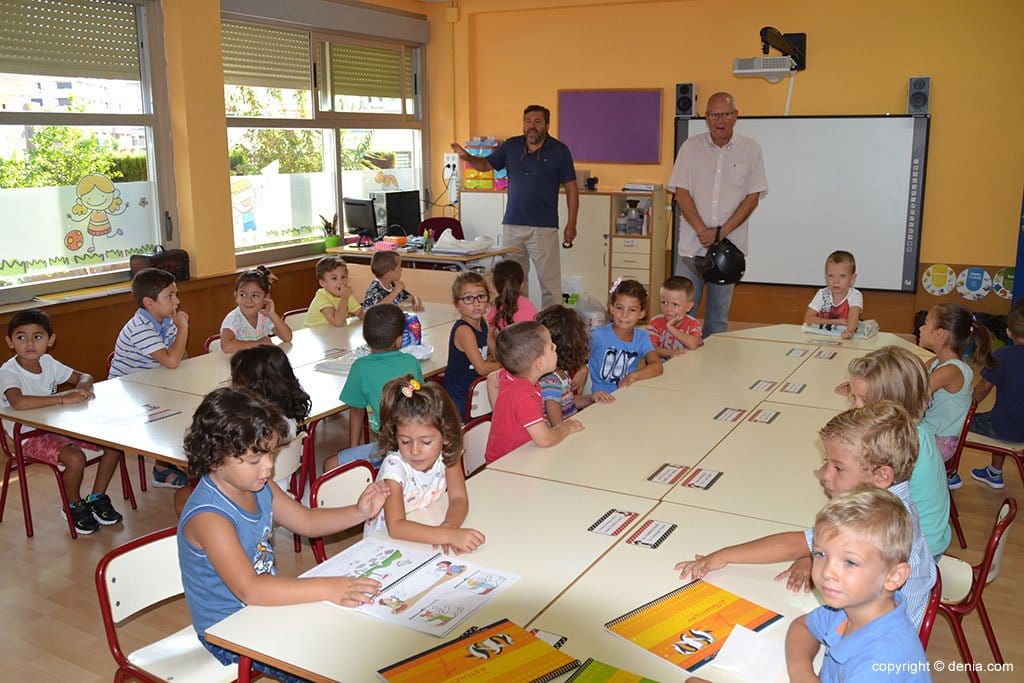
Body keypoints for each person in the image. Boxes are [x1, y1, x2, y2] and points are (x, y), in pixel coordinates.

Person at [178, 388, 388, 681]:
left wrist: (360, 511)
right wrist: (329, 587)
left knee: (353, 636)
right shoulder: (210, 517)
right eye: (255, 460)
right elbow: (250, 589)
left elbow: (307, 520)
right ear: (215, 459)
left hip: (264, 610)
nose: (268, 467)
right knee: (325, 668)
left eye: (270, 454)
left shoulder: (259, 486)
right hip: (228, 632)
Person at [675, 401, 936, 629]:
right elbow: (804, 544)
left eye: (838, 467)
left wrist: (723, 556)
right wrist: (813, 553)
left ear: (881, 477)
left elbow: (791, 545)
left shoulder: (872, 522)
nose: (823, 474)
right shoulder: (892, 503)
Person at [784, 486, 930, 683]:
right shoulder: (854, 605)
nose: (827, 572)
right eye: (820, 554)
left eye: (850, 562)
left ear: (894, 576)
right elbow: (803, 627)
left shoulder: (880, 665)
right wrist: (801, 673)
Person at [2, 309, 123, 535]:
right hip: (27, 435)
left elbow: (84, 376)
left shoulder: (48, 362)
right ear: (10, 342)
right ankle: (73, 505)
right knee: (75, 458)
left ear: (50, 340)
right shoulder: (8, 372)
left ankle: (96, 498)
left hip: (58, 427)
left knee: (114, 444)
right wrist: (61, 399)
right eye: (21, 337)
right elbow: (17, 402)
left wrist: (83, 387)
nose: (29, 343)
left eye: (37, 337)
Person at [451, 105, 578, 308]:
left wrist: (571, 225)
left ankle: (553, 330)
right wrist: (468, 157)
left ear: (547, 124)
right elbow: (485, 165)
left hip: (543, 228)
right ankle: (518, 325)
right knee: (514, 283)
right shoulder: (511, 146)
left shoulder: (559, 151)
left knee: (550, 285)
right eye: (528, 121)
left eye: (537, 121)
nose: (532, 126)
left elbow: (572, 189)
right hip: (512, 226)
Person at [667, 92, 768, 337]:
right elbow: (681, 192)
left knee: (718, 320)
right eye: (714, 115)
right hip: (692, 248)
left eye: (725, 114)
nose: (719, 120)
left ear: (736, 116)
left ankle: (712, 370)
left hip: (728, 253)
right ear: (706, 117)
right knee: (679, 316)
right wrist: (703, 230)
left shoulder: (750, 150)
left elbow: (752, 197)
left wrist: (720, 233)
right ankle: (678, 368)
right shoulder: (691, 148)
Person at [838, 347, 950, 557]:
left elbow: (863, 508)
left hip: (915, 551)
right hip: (925, 536)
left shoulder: (895, 446)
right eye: (853, 398)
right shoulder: (915, 429)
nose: (854, 408)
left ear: (894, 404)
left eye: (864, 401)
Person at [364, 375, 485, 555]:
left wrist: (449, 527)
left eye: (426, 442)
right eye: (405, 441)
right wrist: (445, 535)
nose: (414, 451)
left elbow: (459, 498)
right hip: (382, 546)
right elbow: (396, 527)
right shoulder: (394, 468)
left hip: (424, 529)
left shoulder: (447, 454)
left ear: (445, 436)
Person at [109, 267, 190, 487]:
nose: (177, 301)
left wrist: (177, 334)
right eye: (170, 296)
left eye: (175, 295)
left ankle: (165, 466)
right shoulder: (140, 327)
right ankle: (179, 467)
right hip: (125, 394)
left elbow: (179, 356)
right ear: (149, 303)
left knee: (187, 404)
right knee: (178, 411)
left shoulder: (165, 322)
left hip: (152, 385)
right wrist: (183, 329)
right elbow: (172, 361)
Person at [323, 304, 423, 472]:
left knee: (329, 464)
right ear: (399, 339)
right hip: (417, 441)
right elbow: (421, 398)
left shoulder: (360, 367)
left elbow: (356, 412)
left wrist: (352, 449)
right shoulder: (410, 361)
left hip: (388, 447)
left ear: (365, 337)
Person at [484, 321, 584, 464]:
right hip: (509, 464)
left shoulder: (509, 375)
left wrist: (502, 415)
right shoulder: (524, 395)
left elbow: (491, 379)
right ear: (540, 364)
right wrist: (567, 428)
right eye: (551, 347)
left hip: (514, 455)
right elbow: (545, 439)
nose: (555, 347)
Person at [917, 303, 993, 488]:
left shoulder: (951, 370)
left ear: (939, 333)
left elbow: (914, 395)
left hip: (939, 443)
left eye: (926, 323)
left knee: (882, 447)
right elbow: (913, 376)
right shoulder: (937, 361)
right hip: (930, 432)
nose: (920, 327)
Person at [970, 305, 1024, 489]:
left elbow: (982, 389)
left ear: (1009, 332)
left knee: (960, 422)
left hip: (1005, 428)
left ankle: (950, 473)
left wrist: (964, 409)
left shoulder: (1004, 356)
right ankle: (994, 472)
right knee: (1001, 412)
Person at [535, 304, 614, 425]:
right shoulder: (550, 380)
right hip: (562, 437)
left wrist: (591, 398)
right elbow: (558, 425)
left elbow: (568, 402)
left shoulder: (561, 372)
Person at [442, 272, 501, 420]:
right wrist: (505, 365)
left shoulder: (483, 323)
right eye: (468, 298)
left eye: (481, 297)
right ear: (457, 304)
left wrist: (502, 361)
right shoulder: (464, 331)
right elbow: (481, 368)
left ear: (488, 301)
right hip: (460, 396)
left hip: (476, 390)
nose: (476, 303)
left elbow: (495, 351)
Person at [588, 279, 662, 394]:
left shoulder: (642, 337)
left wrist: (633, 376)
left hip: (628, 395)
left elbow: (657, 366)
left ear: (642, 313)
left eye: (632, 310)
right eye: (619, 308)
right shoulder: (597, 335)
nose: (624, 314)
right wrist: (583, 369)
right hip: (601, 398)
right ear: (611, 308)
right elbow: (577, 357)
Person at [219, 266, 293, 352]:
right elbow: (226, 346)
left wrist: (272, 314)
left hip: (258, 362)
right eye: (243, 295)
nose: (248, 300)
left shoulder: (264, 317)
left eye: (255, 295)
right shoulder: (233, 319)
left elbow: (287, 337)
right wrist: (259, 343)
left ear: (266, 298)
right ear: (236, 296)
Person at [803, 250, 863, 340]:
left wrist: (849, 331)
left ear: (852, 278)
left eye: (842, 276)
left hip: (845, 338)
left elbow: (853, 315)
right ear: (826, 276)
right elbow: (808, 319)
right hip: (823, 338)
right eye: (831, 276)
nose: (836, 281)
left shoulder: (855, 295)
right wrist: (837, 322)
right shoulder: (822, 294)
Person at [648, 275, 703, 359]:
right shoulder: (655, 322)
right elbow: (650, 349)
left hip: (686, 366)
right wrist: (671, 352)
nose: (668, 309)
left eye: (675, 304)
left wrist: (671, 328)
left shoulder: (693, 323)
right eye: (664, 302)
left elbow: (693, 344)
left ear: (689, 306)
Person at [486, 259, 538, 345]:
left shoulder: (497, 304)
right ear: (522, 286)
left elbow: (489, 335)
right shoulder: (528, 305)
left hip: (508, 353)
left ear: (493, 286)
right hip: (530, 352)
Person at [304, 255, 364, 327]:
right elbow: (337, 322)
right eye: (334, 278)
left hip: (333, 335)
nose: (340, 282)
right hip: (311, 336)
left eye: (343, 277)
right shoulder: (322, 297)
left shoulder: (345, 294)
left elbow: (360, 312)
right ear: (323, 283)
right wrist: (344, 298)